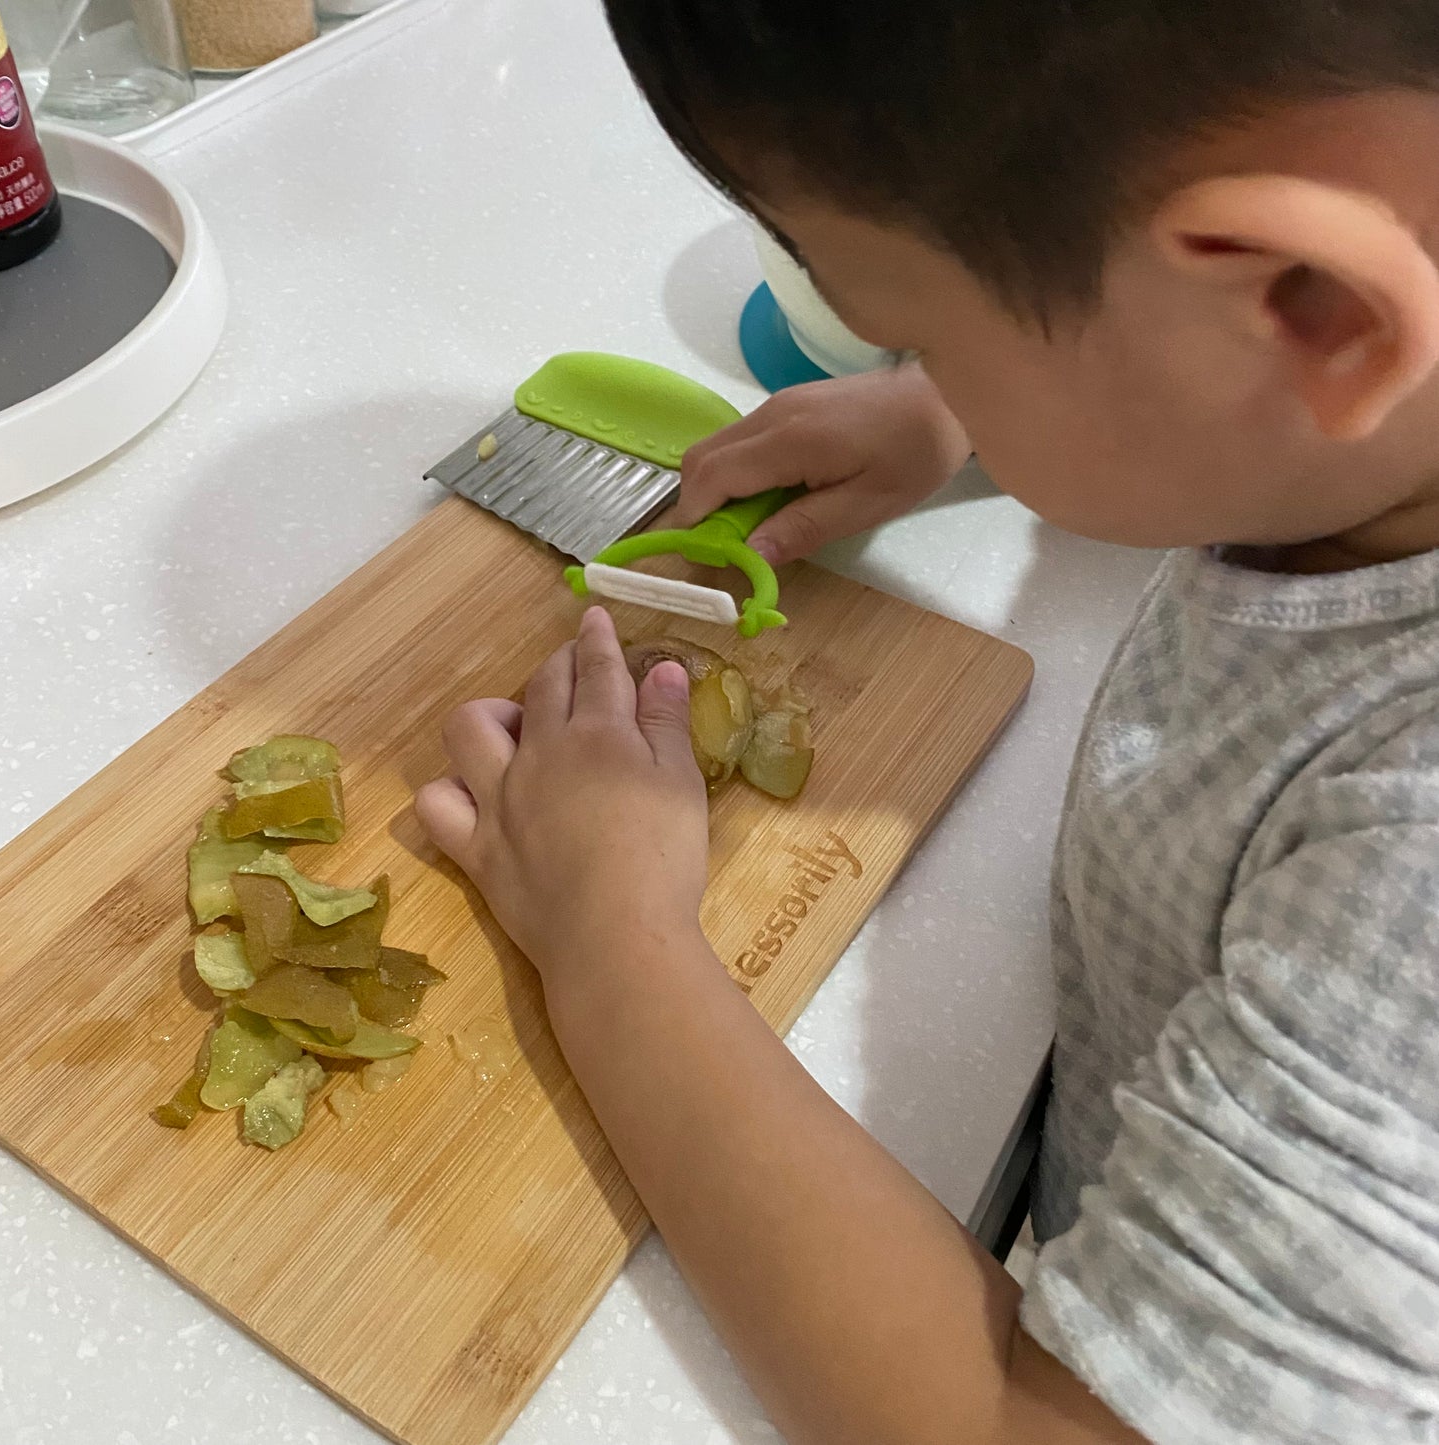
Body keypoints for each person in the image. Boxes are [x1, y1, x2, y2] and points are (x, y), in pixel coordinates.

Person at [415, 3, 1439, 1441]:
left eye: (919, 330)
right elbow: (1248, 391)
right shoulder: (1359, 415)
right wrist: (956, 420)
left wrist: (613, 941)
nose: (920, 368)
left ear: (1309, 309)